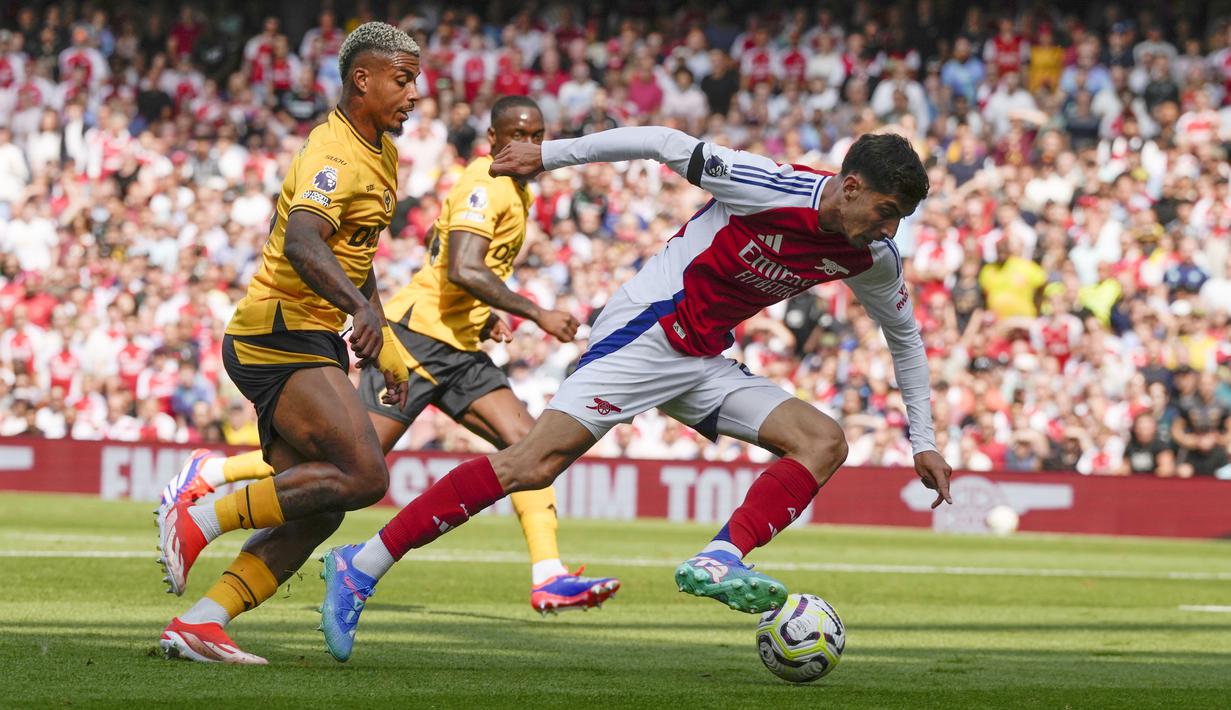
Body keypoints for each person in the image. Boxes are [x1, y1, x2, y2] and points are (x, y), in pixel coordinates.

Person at [315, 127, 954, 662]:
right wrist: (550, 155)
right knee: (530, 463)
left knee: (823, 441)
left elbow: (906, 336)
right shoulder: (769, 185)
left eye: (900, 217)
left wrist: (922, 441)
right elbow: (662, 141)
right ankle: (361, 565)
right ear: (849, 186)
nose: (888, 227)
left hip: (702, 356)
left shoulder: (872, 255)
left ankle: (720, 558)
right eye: (885, 210)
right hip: (647, 330)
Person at [160, 95, 619, 619]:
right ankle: (213, 476)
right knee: (350, 469)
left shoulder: (513, 191)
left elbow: (444, 254)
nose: (530, 146)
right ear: (492, 139)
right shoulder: (485, 184)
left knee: (531, 448)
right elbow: (465, 267)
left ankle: (548, 575)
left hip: (461, 346)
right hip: (419, 338)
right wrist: (536, 313)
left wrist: (483, 311)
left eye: (538, 135)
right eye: (518, 135)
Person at [155, 22, 421, 665]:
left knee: (322, 504)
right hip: (275, 333)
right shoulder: (333, 153)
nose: (415, 94)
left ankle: (201, 622)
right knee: (364, 474)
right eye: (404, 79)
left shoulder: (379, 149)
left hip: (310, 336)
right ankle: (203, 512)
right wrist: (358, 308)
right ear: (364, 79)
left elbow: (355, 255)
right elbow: (304, 242)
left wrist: (378, 334)